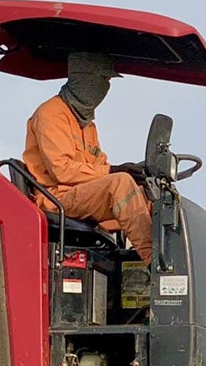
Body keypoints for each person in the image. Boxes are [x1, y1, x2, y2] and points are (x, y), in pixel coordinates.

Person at [20, 51, 154, 259]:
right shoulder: (50, 114)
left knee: (145, 190)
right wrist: (114, 171)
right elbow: (61, 170)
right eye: (103, 79)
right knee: (120, 183)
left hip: (80, 195)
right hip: (56, 197)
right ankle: (152, 260)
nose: (106, 87)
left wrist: (136, 174)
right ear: (84, 78)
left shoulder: (87, 125)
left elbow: (100, 166)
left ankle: (173, 250)